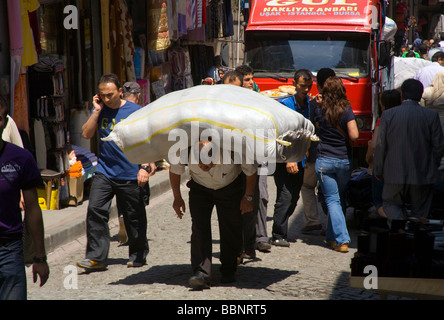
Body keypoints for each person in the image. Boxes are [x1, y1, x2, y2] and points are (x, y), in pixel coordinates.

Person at [77, 73, 155, 271]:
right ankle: (96, 257)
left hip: (130, 171)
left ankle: (138, 254)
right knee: (95, 209)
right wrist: (96, 111)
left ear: (120, 92)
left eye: (110, 94)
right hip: (105, 170)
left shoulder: (135, 111)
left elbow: (147, 140)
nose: (106, 99)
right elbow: (86, 134)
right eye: (102, 95)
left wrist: (145, 166)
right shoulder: (100, 110)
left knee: (133, 215)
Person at [169, 140, 257, 289]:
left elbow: (251, 171)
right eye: (200, 164)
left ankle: (229, 269)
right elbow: (174, 172)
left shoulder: (234, 149)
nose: (204, 168)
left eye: (208, 165)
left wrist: (248, 197)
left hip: (230, 186)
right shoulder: (184, 150)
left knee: (231, 226)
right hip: (200, 188)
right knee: (199, 227)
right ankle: (201, 272)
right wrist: (177, 198)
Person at [374, 79, 444, 222]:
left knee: (391, 204)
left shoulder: (388, 115)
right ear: (420, 95)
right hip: (422, 173)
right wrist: (432, 165)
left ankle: (399, 230)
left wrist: (378, 169)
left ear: (402, 95)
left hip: (394, 172)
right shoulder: (431, 116)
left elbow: (381, 145)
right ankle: (416, 236)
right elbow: (439, 146)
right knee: (421, 211)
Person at [0, 97, 49, 300]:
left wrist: (40, 256)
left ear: (5, 121)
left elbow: (32, 208)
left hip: (9, 249)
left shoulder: (21, 158)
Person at [229, 67, 271, 260]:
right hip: (235, 160)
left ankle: (256, 241)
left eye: (251, 79)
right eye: (246, 79)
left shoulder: (258, 101)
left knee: (257, 198)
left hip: (257, 158)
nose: (250, 83)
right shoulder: (229, 103)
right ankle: (240, 246)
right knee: (237, 203)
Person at [314, 77, 359, 253]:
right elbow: (354, 136)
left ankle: (339, 239)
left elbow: (316, 128)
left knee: (332, 199)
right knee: (338, 199)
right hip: (343, 160)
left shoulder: (320, 110)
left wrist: (319, 104)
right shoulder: (347, 110)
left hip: (324, 160)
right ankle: (336, 238)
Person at [270, 69, 313, 247]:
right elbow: (281, 133)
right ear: (295, 83)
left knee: (294, 196)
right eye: (303, 86)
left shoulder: (310, 104)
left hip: (301, 158)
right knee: (285, 195)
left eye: (309, 86)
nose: (306, 90)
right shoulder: (284, 104)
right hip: (285, 159)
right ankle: (278, 234)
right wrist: (289, 159)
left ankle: (281, 229)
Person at [300, 68, 337, 234]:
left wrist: (305, 153)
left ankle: (312, 221)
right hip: (338, 155)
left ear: (318, 84)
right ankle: (333, 223)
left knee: (307, 186)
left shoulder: (314, 103)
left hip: (316, 153)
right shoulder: (343, 104)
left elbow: (308, 130)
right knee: (332, 192)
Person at [365, 89, 402, 218]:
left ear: (382, 104)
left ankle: (391, 221)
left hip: (385, 166)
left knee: (380, 201)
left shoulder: (384, 118)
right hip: (404, 165)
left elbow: (375, 144)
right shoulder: (404, 118)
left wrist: (368, 158)